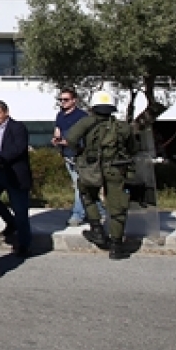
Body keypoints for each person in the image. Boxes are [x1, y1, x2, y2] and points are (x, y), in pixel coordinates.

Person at [65, 91, 138, 260]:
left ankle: (96, 229)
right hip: (116, 169)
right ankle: (116, 245)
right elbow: (133, 148)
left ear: (93, 106)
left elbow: (71, 138)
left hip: (92, 168)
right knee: (117, 206)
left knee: (87, 195)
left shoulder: (86, 122)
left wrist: (80, 152)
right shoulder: (122, 127)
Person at [0, 100, 32, 258]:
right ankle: (10, 222)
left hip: (15, 174)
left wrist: (0, 158)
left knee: (20, 210)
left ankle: (24, 244)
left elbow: (19, 148)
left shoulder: (17, 127)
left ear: (6, 112)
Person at [52, 88, 102, 227]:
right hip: (67, 155)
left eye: (66, 99)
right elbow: (58, 131)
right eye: (61, 100)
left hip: (80, 156)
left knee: (79, 186)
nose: (63, 102)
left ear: (74, 100)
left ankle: (78, 214)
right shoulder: (60, 115)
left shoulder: (82, 116)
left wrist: (68, 142)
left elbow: (85, 137)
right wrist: (56, 140)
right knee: (84, 186)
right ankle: (99, 211)